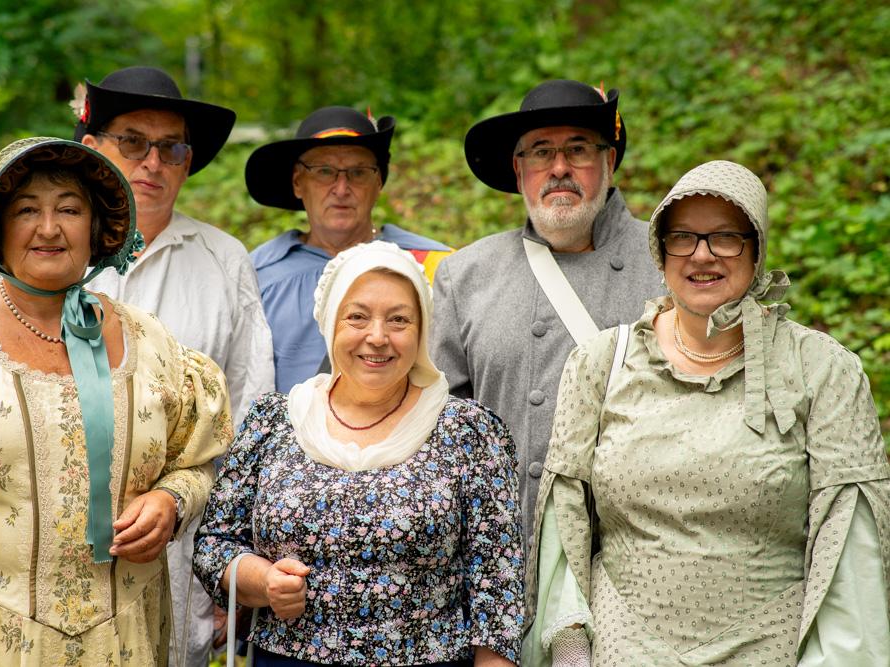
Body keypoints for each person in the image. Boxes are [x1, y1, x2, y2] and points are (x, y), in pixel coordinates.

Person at [525, 160, 890, 666]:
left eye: (725, 237)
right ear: (660, 250)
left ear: (756, 248)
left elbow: (849, 549)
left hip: (770, 652)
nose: (702, 255)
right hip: (622, 651)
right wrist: (568, 647)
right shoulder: (600, 364)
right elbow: (563, 527)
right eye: (684, 237)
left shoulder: (824, 370)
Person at [0, 66, 275, 665]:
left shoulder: (223, 260)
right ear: (93, 150)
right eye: (132, 142)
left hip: (173, 552)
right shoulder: (34, 249)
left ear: (188, 161)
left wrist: (227, 574)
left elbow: (250, 418)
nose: (153, 162)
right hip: (25, 560)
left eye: (171, 147)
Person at [0, 137, 231, 665]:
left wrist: (171, 501)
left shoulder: (155, 347)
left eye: (69, 209)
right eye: (27, 210)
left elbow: (197, 463)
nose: (49, 228)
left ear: (97, 230)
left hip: (120, 642)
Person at [193, 241, 524, 666]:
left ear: (422, 330)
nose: (378, 337)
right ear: (331, 322)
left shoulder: (468, 432)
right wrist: (265, 581)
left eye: (399, 320)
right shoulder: (274, 421)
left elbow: (498, 585)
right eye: (358, 317)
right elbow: (215, 544)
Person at [431, 80, 663, 543]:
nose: (559, 168)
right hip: (500, 553)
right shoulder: (465, 275)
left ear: (608, 162)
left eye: (578, 150)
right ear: (519, 172)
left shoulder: (668, 262)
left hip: (636, 552)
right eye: (540, 152)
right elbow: (438, 433)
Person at [246, 106, 452, 393]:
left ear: (378, 182)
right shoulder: (256, 274)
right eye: (325, 172)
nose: (341, 188)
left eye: (358, 172)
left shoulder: (435, 266)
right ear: (297, 182)